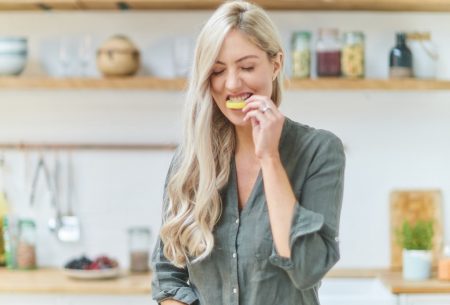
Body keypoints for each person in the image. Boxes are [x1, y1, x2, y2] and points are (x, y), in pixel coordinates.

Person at [151, 1, 345, 304]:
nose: (231, 83)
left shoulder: (319, 151)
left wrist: (270, 157)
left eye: (247, 67)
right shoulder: (189, 161)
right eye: (217, 70)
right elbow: (168, 278)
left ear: (276, 64)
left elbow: (308, 269)